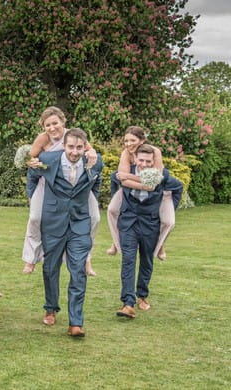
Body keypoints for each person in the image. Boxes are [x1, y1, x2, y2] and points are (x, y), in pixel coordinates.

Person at [26, 128, 103, 337]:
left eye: (79, 147)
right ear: (64, 146)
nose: (75, 152)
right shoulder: (47, 159)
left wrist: (88, 204)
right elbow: (32, 176)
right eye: (71, 147)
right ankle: (51, 307)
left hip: (79, 223)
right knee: (50, 268)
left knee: (78, 270)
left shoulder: (95, 162)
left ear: (84, 146)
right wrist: (34, 200)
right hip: (53, 221)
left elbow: (96, 183)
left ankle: (76, 322)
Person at [21, 106, 99, 276]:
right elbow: (29, 158)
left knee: (94, 217)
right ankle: (31, 258)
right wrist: (31, 162)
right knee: (35, 217)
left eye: (55, 123)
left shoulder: (74, 135)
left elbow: (89, 150)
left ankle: (86, 259)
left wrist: (92, 152)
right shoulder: (42, 139)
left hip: (78, 184)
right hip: (48, 183)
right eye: (47, 125)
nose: (52, 128)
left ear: (63, 121)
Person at [113, 145, 183, 319]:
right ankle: (128, 303)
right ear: (135, 159)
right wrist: (119, 205)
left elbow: (178, 187)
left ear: (153, 162)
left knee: (146, 260)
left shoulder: (161, 176)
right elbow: (115, 184)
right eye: (141, 160)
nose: (144, 164)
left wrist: (168, 210)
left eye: (148, 161)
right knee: (128, 260)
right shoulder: (124, 172)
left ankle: (142, 295)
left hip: (150, 223)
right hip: (128, 222)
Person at [106, 126, 175, 260]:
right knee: (112, 209)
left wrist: (132, 178)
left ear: (142, 140)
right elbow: (122, 180)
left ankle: (160, 245)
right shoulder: (126, 153)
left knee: (168, 221)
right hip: (130, 189)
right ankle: (116, 242)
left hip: (160, 191)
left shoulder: (155, 152)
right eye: (126, 141)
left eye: (132, 140)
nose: (128, 144)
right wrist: (142, 184)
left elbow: (153, 182)